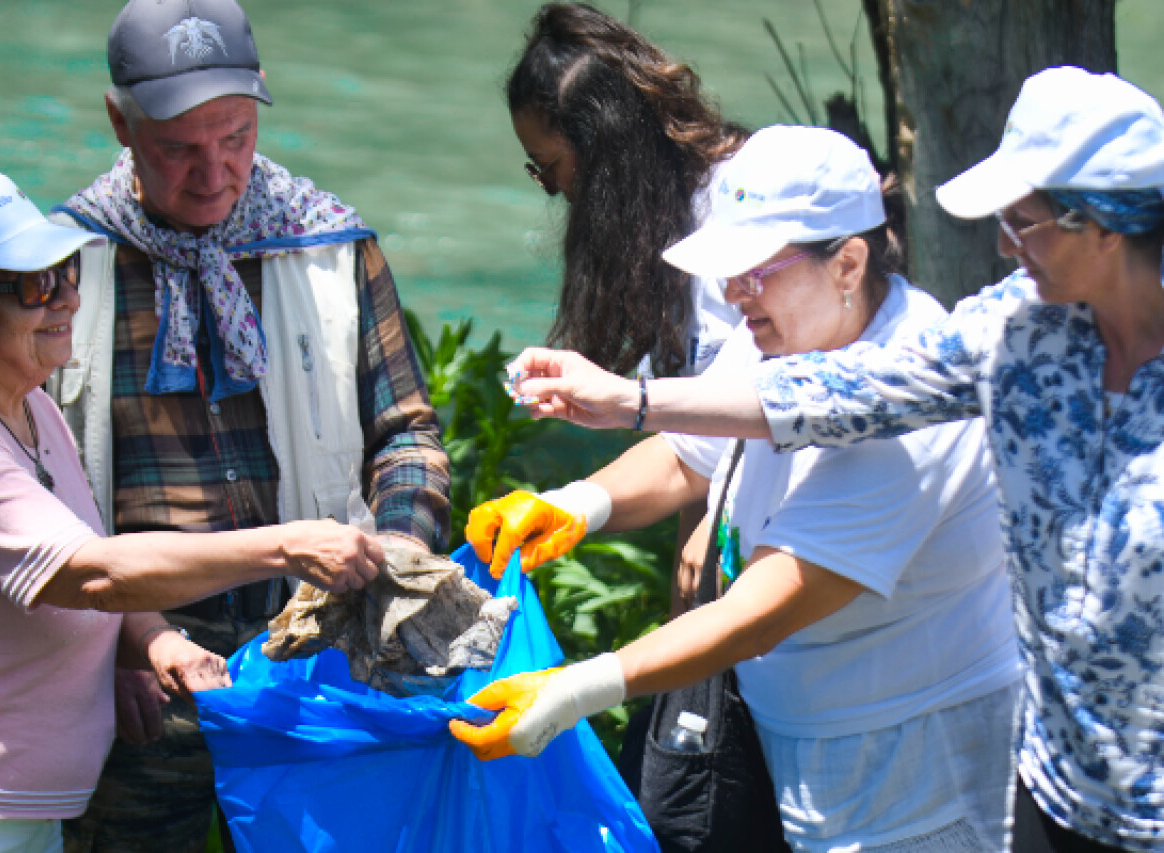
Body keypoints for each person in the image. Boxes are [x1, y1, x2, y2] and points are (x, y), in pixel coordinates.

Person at [495, 68, 1164, 852]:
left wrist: (582, 685)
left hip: (1020, 787)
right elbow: (844, 391)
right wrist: (600, 460)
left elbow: (768, 606)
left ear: (1104, 227)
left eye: (1023, 222)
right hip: (1054, 781)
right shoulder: (1017, 328)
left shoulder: (938, 408)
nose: (1005, 247)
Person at [455, 125, 1022, 852]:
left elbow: (761, 610)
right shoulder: (777, 331)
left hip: (917, 788)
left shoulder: (915, 399)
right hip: (795, 759)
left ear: (848, 262)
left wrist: (577, 688)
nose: (732, 294)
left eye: (755, 270)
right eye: (728, 273)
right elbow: (690, 456)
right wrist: (575, 504)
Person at [49, 1, 450, 850]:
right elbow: (32, 499)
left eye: (234, 137)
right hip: (134, 675)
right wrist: (120, 635)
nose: (214, 172)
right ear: (118, 121)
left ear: (261, 102)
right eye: (179, 150)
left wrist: (398, 561)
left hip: (314, 655)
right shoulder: (61, 268)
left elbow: (407, 436)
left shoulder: (329, 245)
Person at [0, 171, 384, 853]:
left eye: (64, 271)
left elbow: (82, 552)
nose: (66, 296)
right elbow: (91, 573)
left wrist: (152, 640)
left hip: (11, 805)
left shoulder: (25, 404)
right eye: (35, 284)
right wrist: (285, 545)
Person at [507, 1, 748, 611]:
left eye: (553, 167)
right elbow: (692, 449)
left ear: (606, 143)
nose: (556, 190)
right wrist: (564, 509)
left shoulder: (740, 213)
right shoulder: (658, 224)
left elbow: (771, 408)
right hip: (721, 537)